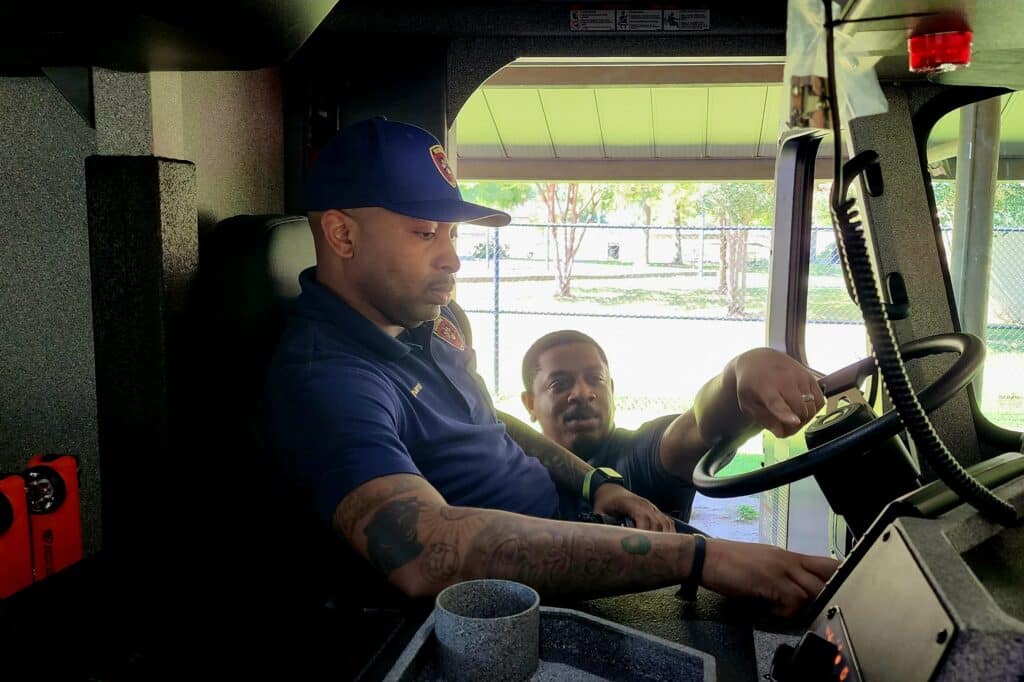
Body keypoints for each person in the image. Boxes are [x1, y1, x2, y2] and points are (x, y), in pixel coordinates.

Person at [264, 116, 838, 617]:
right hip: (522, 599)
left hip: (583, 521)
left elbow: (489, 420)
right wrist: (699, 558)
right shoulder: (328, 380)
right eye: (424, 233)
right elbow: (425, 552)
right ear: (342, 234)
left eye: (453, 233)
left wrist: (593, 483)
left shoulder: (429, 319)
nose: (453, 257)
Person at [521, 330, 823, 521]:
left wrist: (737, 375)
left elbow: (696, 426)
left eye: (595, 379)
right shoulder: (509, 473)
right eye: (559, 384)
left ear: (611, 389)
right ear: (530, 403)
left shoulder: (639, 457)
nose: (582, 393)